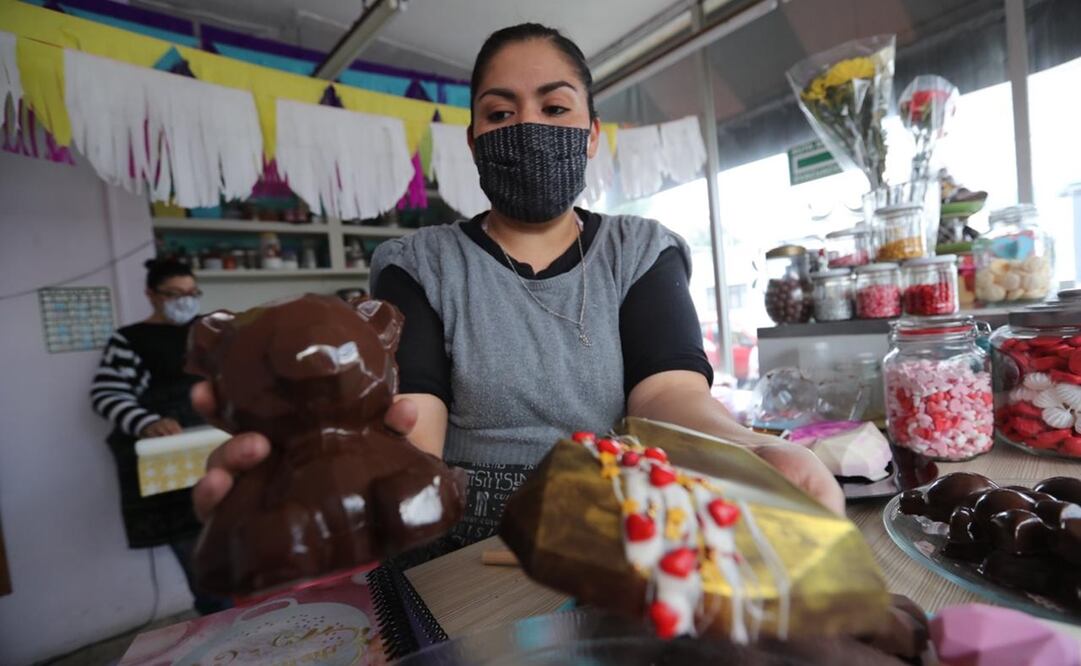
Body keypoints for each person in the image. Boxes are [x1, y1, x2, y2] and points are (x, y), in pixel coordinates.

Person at [191, 23, 843, 557]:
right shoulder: (418, 264)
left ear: (590, 135)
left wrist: (756, 448)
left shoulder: (638, 250)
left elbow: (669, 395)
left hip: (614, 524)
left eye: (554, 108)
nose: (526, 126)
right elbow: (418, 427)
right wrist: (340, 482)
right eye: (500, 113)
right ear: (474, 142)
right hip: (457, 540)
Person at [91, 259, 229, 614]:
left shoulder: (211, 332)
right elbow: (107, 394)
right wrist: (145, 421)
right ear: (151, 295)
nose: (185, 301)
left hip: (222, 453)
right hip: (173, 466)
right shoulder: (130, 340)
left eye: (192, 293)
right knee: (200, 559)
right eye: (174, 294)